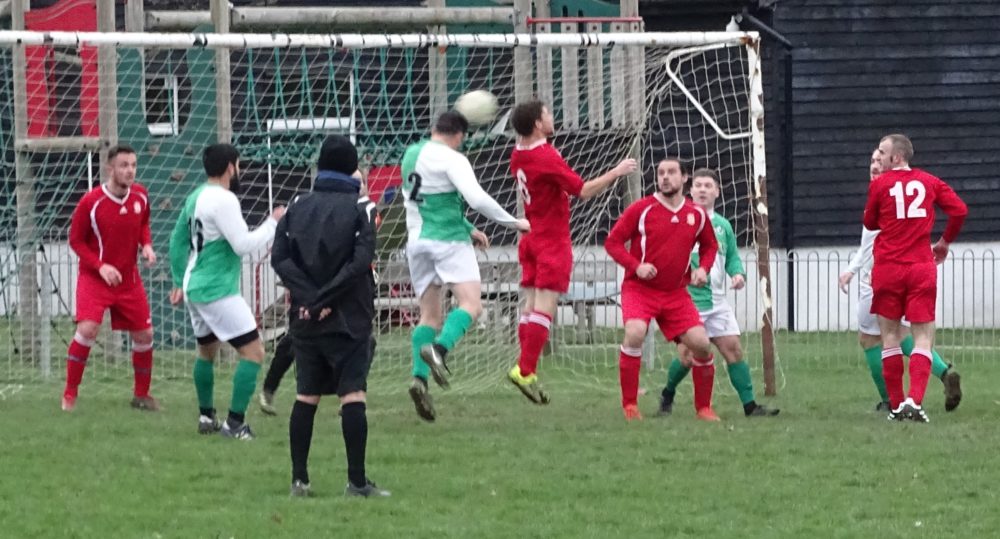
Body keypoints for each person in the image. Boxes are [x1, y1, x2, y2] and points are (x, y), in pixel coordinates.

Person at [271, 134, 388, 498]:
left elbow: (280, 258)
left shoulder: (297, 204)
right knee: (352, 395)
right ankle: (356, 482)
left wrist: (309, 298)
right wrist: (326, 298)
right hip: (349, 316)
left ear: (320, 165)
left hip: (305, 316)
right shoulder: (361, 207)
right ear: (353, 168)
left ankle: (299, 480)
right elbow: (359, 263)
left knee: (306, 395)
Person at [401, 110, 530, 422]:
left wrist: (469, 227)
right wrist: (513, 222)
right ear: (459, 135)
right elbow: (477, 198)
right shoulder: (453, 159)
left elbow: (429, 201)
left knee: (429, 316)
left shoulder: (411, 154)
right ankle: (440, 350)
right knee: (471, 304)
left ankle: (419, 380)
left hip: (417, 242)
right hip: (447, 240)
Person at [507, 99, 637, 404]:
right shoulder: (545, 156)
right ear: (538, 124)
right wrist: (616, 172)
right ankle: (525, 370)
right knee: (545, 308)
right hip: (551, 240)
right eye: (548, 114)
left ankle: (525, 368)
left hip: (530, 237)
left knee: (529, 306)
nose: (552, 118)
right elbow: (583, 191)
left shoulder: (517, 153)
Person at [168, 143, 285, 440]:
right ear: (231, 167)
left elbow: (176, 240)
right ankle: (234, 424)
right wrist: (272, 223)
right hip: (216, 289)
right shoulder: (224, 199)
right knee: (254, 353)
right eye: (239, 165)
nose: (239, 171)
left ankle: (207, 416)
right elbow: (242, 244)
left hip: (195, 285)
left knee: (206, 351)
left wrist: (179, 280)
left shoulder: (196, 196)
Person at [839, 149, 962, 412]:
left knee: (872, 338)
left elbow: (870, 243)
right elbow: (958, 210)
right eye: (871, 160)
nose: (874, 165)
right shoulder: (913, 188)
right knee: (909, 334)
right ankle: (943, 372)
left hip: (882, 276)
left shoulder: (883, 195)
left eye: (879, 159)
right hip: (916, 271)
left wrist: (852, 269)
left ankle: (891, 401)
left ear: (892, 162)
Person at [657, 168, 779, 418]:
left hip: (717, 301)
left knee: (733, 349)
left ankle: (750, 406)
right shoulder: (679, 220)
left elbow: (732, 257)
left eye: (708, 186)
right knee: (687, 356)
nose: (703, 190)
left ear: (717, 192)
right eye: (698, 185)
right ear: (690, 191)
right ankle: (668, 394)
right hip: (689, 302)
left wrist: (738, 274)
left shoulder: (723, 226)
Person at [258, 170, 380, 416]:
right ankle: (269, 388)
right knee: (294, 339)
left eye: (361, 182)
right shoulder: (322, 209)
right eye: (355, 181)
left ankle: (350, 395)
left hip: (348, 291)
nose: (359, 186)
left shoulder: (366, 211)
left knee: (364, 341)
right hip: (315, 289)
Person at [605, 159, 719, 421]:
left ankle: (704, 409)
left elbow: (710, 246)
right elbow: (612, 242)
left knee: (702, 345)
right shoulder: (642, 209)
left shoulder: (697, 214)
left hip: (675, 293)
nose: (665, 177)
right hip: (640, 289)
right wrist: (636, 266)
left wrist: (703, 269)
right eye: (661, 173)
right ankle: (630, 406)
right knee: (635, 332)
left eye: (671, 172)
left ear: (684, 177)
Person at [62, 144, 159, 412]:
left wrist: (146, 245)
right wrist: (100, 266)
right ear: (110, 169)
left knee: (145, 334)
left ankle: (141, 395)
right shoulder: (91, 202)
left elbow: (143, 224)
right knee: (87, 329)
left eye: (133, 165)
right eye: (124, 165)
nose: (130, 171)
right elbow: (76, 240)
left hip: (128, 279)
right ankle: (70, 394)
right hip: (95, 278)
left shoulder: (140, 195)